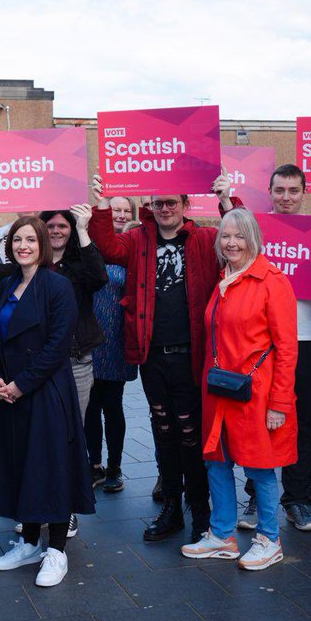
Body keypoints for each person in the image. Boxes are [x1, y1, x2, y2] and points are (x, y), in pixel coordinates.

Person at [88, 173, 236, 543]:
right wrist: (102, 203)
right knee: (163, 431)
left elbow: (241, 241)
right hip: (152, 355)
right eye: (159, 203)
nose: (165, 209)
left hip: (192, 355)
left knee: (191, 434)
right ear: (150, 207)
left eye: (172, 203)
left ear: (186, 206)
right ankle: (171, 506)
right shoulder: (139, 239)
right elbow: (106, 247)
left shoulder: (204, 238)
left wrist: (227, 201)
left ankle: (200, 514)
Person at [0, 216, 94, 587]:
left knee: (52, 468)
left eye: (30, 239)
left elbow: (57, 347)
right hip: (9, 394)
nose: (22, 245)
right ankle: (27, 543)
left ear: (42, 243)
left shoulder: (57, 286)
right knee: (20, 466)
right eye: (16, 240)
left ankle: (56, 551)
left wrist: (19, 385)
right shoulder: (7, 283)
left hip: (44, 392)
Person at [182, 207, 297, 571]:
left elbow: (287, 348)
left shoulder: (271, 281)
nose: (232, 242)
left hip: (257, 394)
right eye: (226, 235)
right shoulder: (223, 279)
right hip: (219, 391)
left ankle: (269, 539)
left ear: (254, 239)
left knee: (260, 467)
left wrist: (279, 403)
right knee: (216, 461)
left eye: (239, 235)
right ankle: (223, 536)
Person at [238, 164, 311, 534]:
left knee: (304, 421)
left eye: (293, 190)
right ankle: (257, 496)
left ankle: (296, 500)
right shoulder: (256, 232)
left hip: (310, 339)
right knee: (258, 420)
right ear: (270, 192)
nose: (286, 197)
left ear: (304, 193)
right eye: (280, 190)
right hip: (263, 344)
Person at [39, 205, 107, 536]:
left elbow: (100, 277)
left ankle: (65, 508)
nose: (56, 230)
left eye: (62, 225)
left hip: (75, 362)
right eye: (50, 225)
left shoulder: (81, 264)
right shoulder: (31, 262)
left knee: (68, 436)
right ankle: (38, 503)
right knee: (41, 436)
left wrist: (83, 228)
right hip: (38, 366)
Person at [86, 195, 139, 494]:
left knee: (113, 405)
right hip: (90, 337)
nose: (119, 214)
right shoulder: (89, 244)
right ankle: (94, 464)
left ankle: (115, 467)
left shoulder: (134, 246)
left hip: (118, 338)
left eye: (124, 210)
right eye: (114, 209)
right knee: (90, 406)